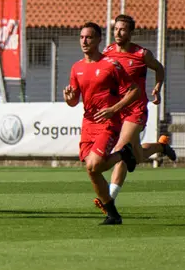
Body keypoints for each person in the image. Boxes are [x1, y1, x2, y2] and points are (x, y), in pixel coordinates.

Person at [97, 14, 177, 212]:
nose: (118, 32)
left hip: (136, 109)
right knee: (137, 156)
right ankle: (160, 147)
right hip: (117, 111)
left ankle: (109, 200)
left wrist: (157, 87)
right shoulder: (108, 52)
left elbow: (159, 68)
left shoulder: (142, 54)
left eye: (123, 29)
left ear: (131, 33)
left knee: (121, 148)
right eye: (116, 28)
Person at [63, 22, 140, 225]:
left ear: (98, 40)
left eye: (88, 37)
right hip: (88, 123)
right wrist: (69, 98)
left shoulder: (111, 65)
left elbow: (134, 90)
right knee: (92, 170)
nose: (84, 41)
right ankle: (113, 214)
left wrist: (114, 110)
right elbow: (73, 102)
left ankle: (123, 154)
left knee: (94, 164)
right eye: (81, 37)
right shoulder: (77, 67)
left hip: (108, 122)